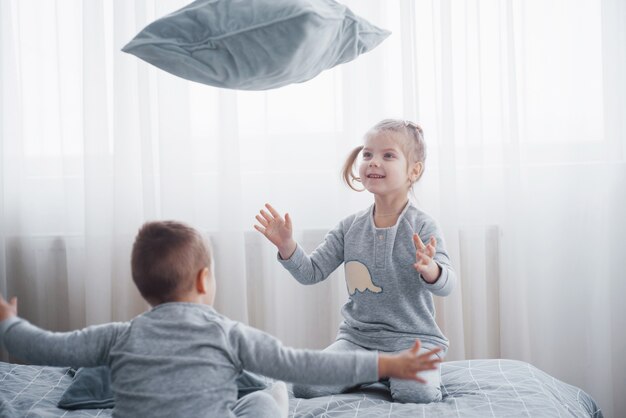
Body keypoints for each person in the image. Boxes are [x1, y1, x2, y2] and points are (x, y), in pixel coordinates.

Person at [0, 220, 442, 418]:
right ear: (204, 279)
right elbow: (305, 364)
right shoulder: (227, 335)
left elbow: (46, 347)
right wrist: (383, 364)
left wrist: (10, 325)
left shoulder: (117, 337)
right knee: (268, 392)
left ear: (141, 287)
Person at [254, 119, 457, 404]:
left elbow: (447, 285)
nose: (373, 161)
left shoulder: (423, 226)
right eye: (367, 154)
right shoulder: (349, 227)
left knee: (415, 394)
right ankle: (372, 371)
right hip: (357, 340)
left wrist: (431, 270)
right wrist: (288, 246)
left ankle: (394, 372)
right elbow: (311, 272)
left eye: (388, 155)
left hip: (413, 343)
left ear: (414, 171)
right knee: (305, 386)